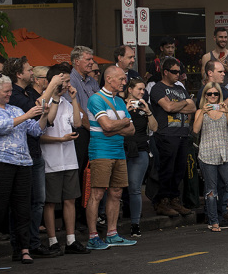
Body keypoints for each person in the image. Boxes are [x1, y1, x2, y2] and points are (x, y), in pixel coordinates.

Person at [0, 75, 47, 265]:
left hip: (23, 164)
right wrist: (27, 115)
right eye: (6, 91)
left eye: (10, 90)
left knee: (22, 208)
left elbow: (36, 130)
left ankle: (23, 249)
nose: (9, 94)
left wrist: (44, 114)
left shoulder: (15, 108)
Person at [84, 67, 137, 249]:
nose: (124, 82)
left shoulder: (120, 101)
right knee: (97, 193)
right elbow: (106, 126)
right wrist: (122, 123)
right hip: (100, 152)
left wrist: (115, 127)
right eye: (121, 79)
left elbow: (132, 130)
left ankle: (112, 234)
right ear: (109, 79)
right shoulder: (96, 99)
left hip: (118, 152)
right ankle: (92, 236)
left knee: (116, 193)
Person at [38, 66, 86, 255]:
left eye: (68, 81)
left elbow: (78, 123)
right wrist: (60, 140)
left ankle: (71, 239)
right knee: (50, 202)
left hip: (69, 159)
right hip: (51, 160)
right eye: (63, 81)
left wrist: (74, 99)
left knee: (70, 200)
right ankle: (52, 240)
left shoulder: (66, 103)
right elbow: (39, 132)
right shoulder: (44, 101)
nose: (67, 85)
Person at [193, 79, 228, 232]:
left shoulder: (225, 110)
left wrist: (227, 112)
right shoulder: (200, 111)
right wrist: (203, 112)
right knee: (211, 191)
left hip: (225, 154)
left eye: (215, 94)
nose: (212, 96)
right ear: (205, 95)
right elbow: (196, 130)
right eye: (209, 94)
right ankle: (213, 222)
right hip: (207, 154)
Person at [6, 56, 47, 255]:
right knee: (24, 203)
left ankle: (33, 243)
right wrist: (54, 84)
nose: (32, 72)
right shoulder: (14, 95)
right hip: (23, 155)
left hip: (35, 151)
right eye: (29, 70)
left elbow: (39, 124)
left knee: (38, 201)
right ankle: (22, 245)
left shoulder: (26, 92)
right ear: (18, 74)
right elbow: (36, 113)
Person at [149, 56, 196, 218]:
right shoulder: (157, 88)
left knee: (179, 169)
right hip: (166, 134)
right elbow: (167, 107)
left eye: (180, 71)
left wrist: (177, 106)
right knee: (166, 169)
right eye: (175, 72)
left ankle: (175, 200)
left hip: (183, 134)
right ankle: (162, 202)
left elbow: (193, 108)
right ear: (165, 72)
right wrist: (184, 103)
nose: (178, 75)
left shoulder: (180, 88)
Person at [122, 78, 154, 238]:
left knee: (134, 187)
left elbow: (155, 127)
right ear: (130, 89)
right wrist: (126, 111)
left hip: (140, 150)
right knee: (115, 188)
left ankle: (135, 224)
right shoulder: (119, 103)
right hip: (121, 148)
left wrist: (148, 111)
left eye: (143, 90)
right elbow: (115, 124)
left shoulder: (144, 106)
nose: (142, 92)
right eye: (139, 89)